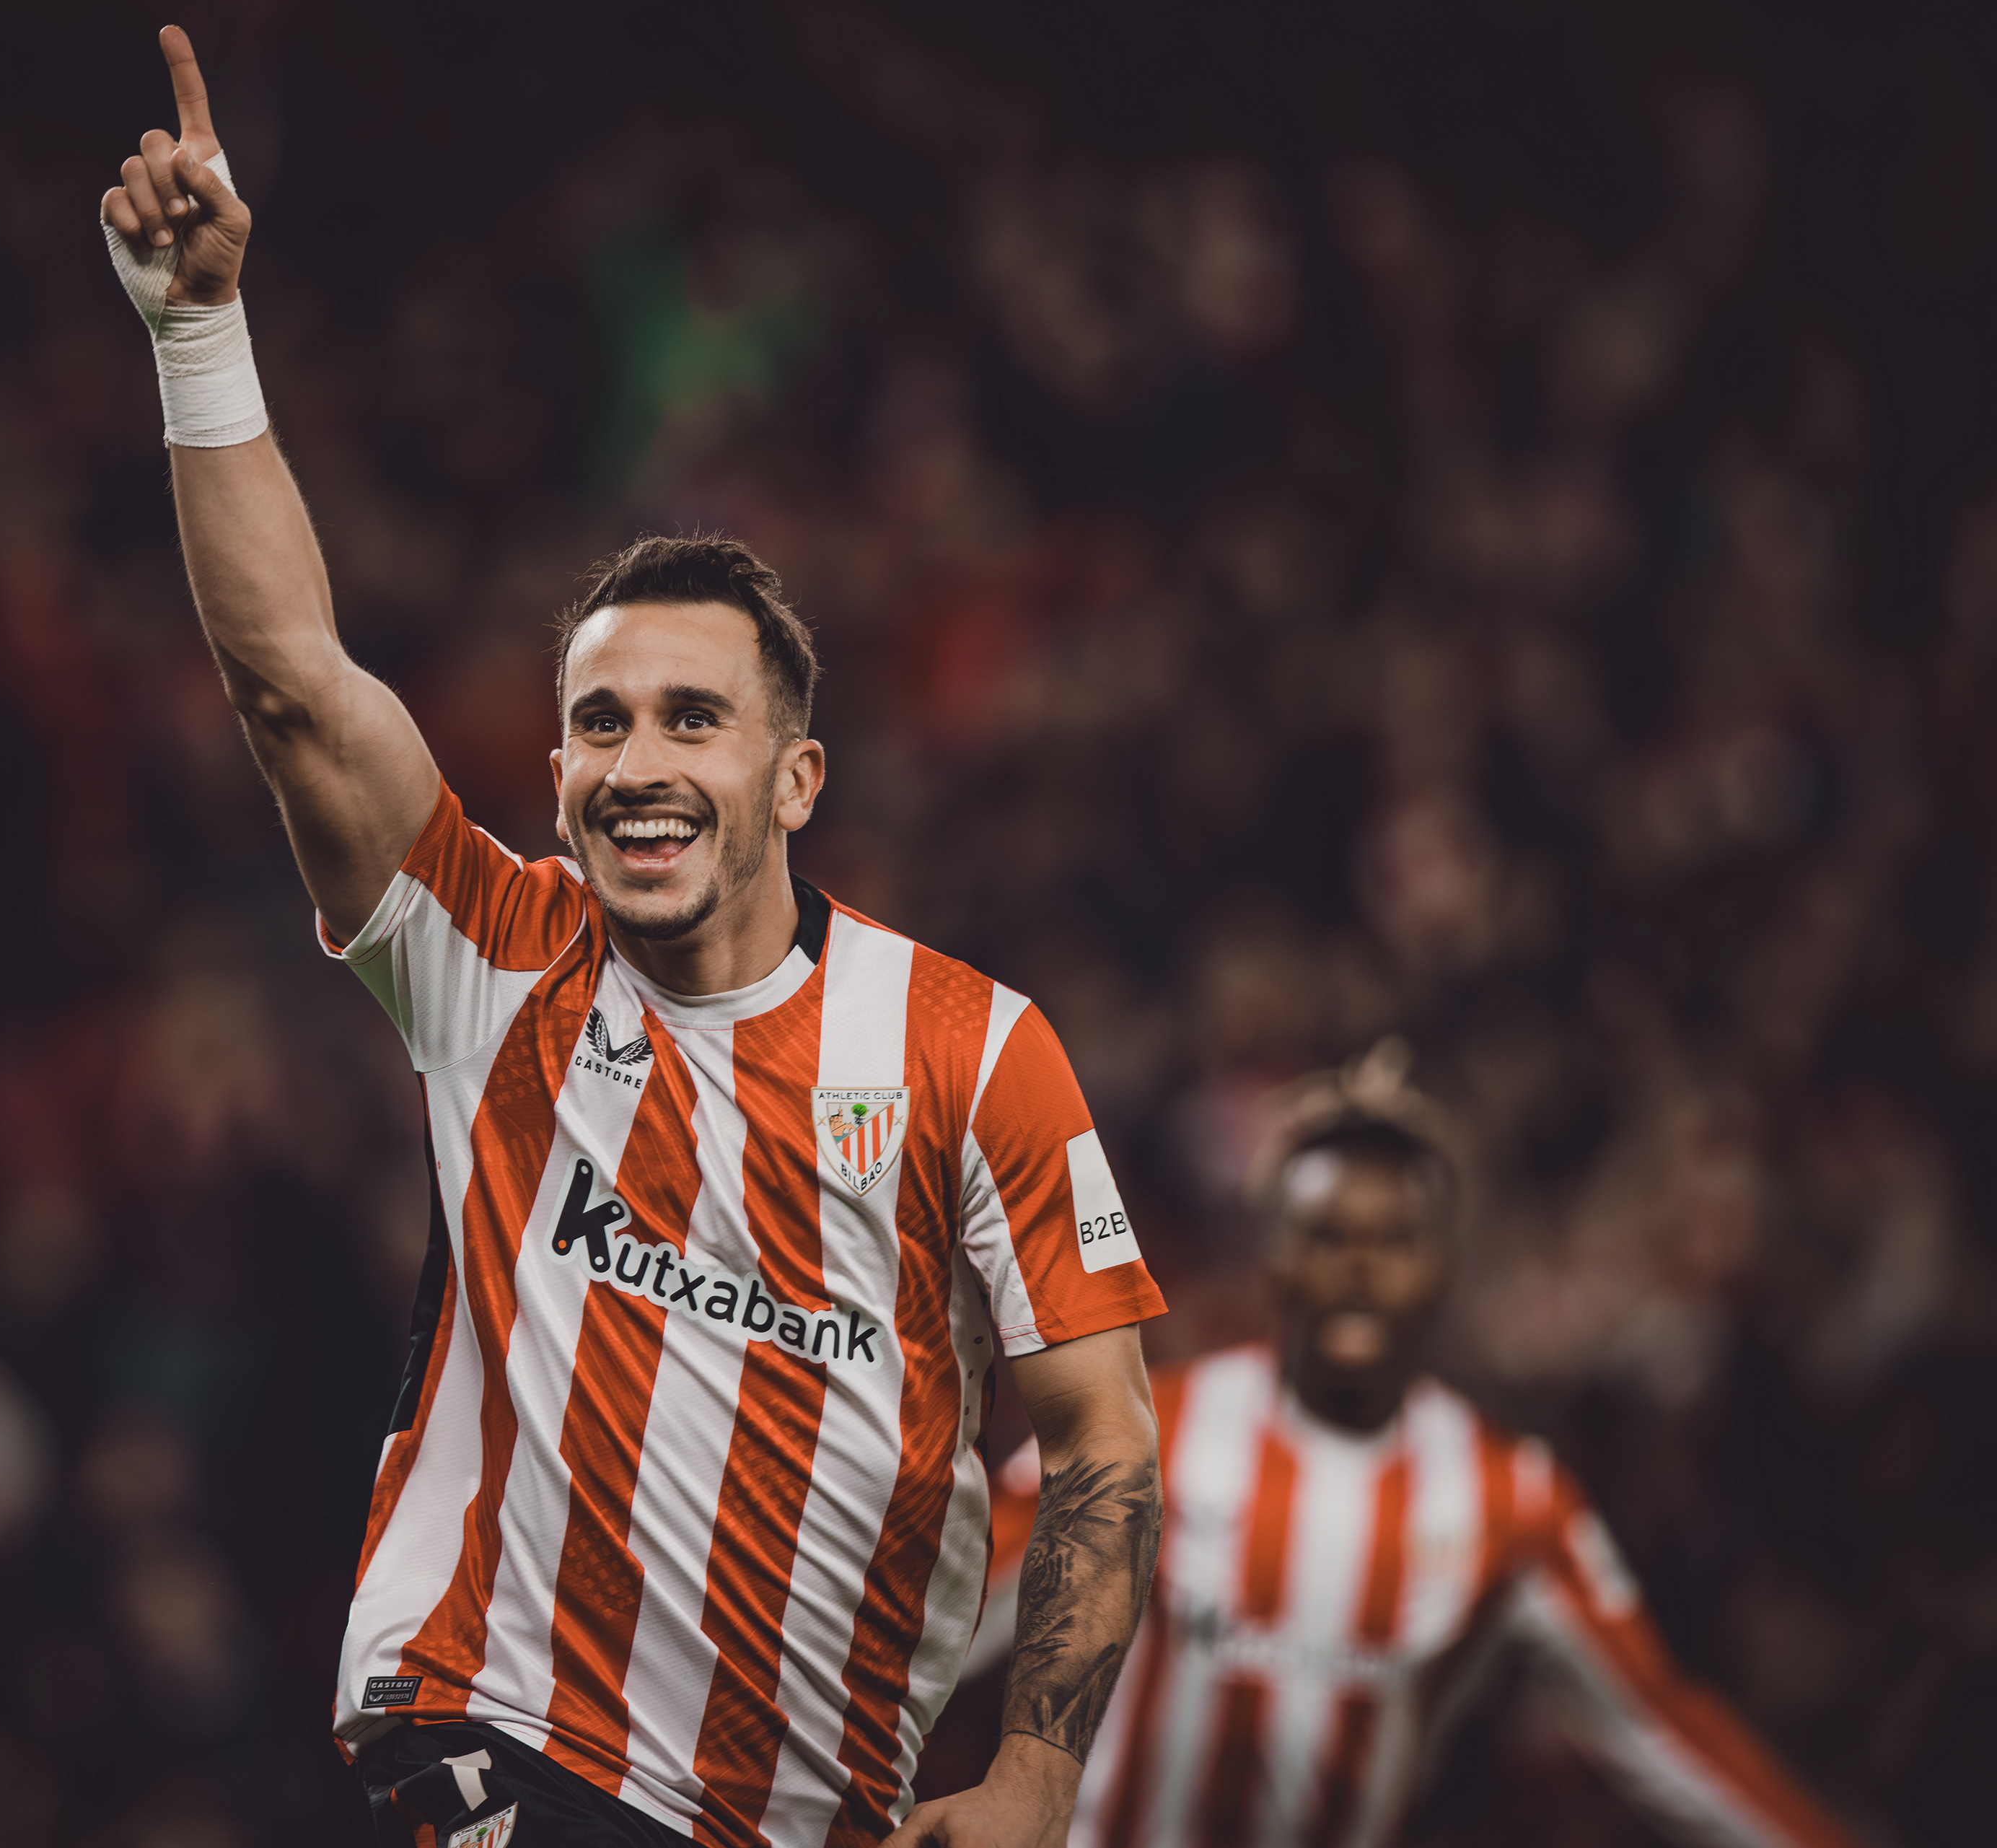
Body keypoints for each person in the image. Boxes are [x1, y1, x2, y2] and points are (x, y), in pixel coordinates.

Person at [99, 27, 1167, 1848]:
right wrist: (199, 333)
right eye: (599, 722)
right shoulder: (497, 954)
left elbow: (1102, 1437)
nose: (638, 763)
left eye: (692, 718)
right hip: (514, 1740)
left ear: (797, 776)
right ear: (556, 771)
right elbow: (293, 685)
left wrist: (1040, 1768)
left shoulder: (971, 1049)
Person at [973, 1042, 1860, 1848]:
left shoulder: (1510, 1497)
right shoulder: (1147, 1433)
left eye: (1396, 1238)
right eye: (1328, 1234)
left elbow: (1663, 1729)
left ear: (1444, 1264)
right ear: (1273, 1255)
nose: (1361, 1264)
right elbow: (951, 1608)